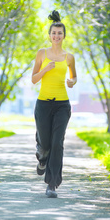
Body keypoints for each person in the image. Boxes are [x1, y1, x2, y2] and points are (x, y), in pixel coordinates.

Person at [31, 10, 77, 198]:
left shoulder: (69, 57)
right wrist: (45, 69)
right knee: (46, 144)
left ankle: (52, 184)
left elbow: (74, 77)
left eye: (60, 33)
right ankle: (41, 157)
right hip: (43, 104)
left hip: (62, 105)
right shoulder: (42, 53)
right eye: (54, 33)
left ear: (64, 36)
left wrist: (72, 82)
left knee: (57, 143)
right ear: (49, 36)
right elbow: (34, 79)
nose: (56, 36)